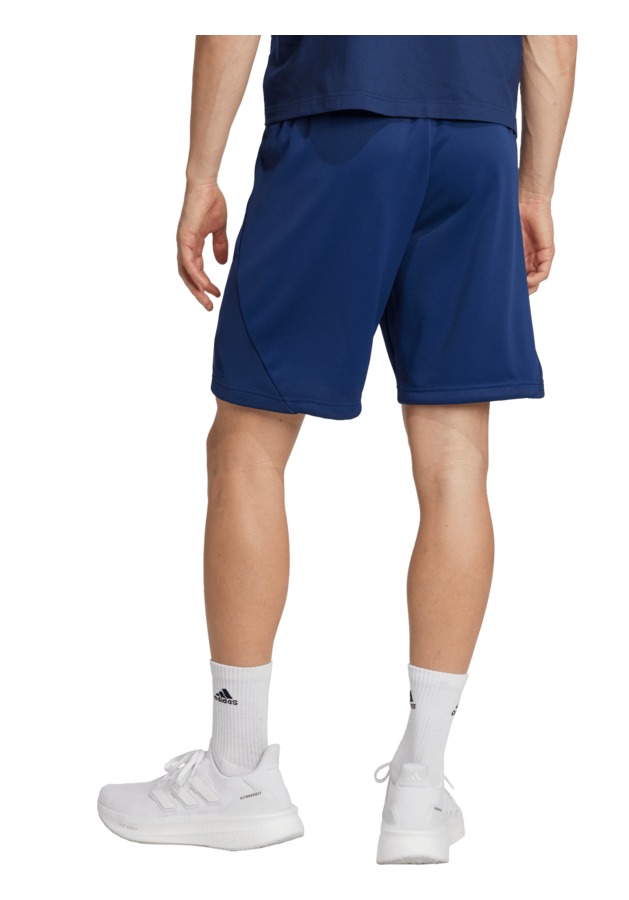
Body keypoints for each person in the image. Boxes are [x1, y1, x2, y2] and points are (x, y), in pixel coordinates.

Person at [97, 35, 577, 865]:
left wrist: (200, 174)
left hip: (341, 121)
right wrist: (532, 185)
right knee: (456, 463)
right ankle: (420, 788)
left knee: (248, 444)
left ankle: (235, 774)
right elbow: (551, 30)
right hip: (477, 144)